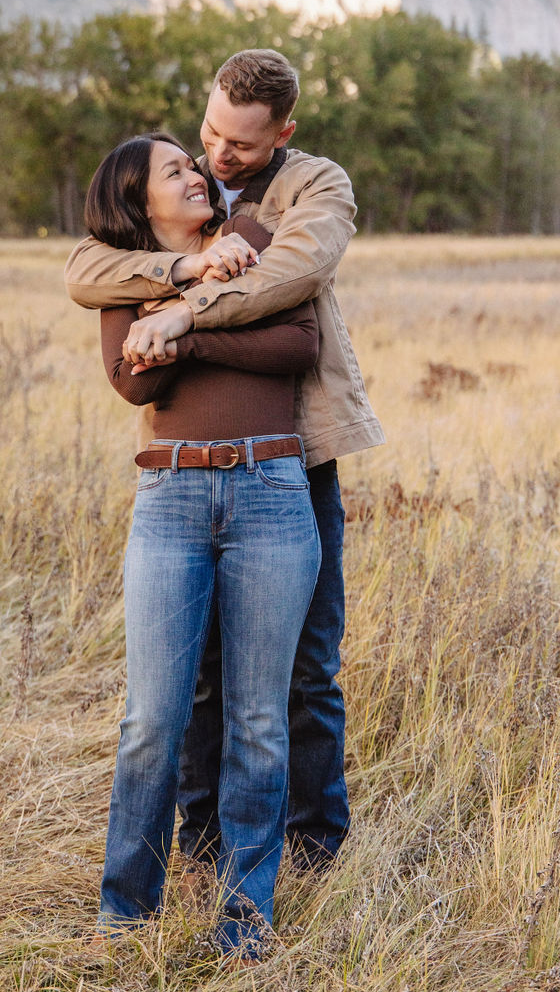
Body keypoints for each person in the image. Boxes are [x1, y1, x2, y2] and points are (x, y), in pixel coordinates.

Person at [66, 49, 385, 872]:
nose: (217, 155)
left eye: (239, 146)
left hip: (294, 452)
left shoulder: (314, 188)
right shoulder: (177, 187)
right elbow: (85, 268)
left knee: (307, 663)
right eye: (208, 132)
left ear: (283, 132)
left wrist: (180, 319)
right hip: (186, 468)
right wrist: (182, 266)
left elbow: (291, 280)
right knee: (199, 669)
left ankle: (314, 841)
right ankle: (202, 836)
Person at [86, 130, 323, 958]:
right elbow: (133, 380)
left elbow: (298, 346)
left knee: (260, 718)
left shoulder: (257, 243)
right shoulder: (128, 270)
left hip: (271, 491)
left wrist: (186, 329)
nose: (197, 171)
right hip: (170, 496)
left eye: (195, 164)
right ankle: (126, 911)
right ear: (138, 200)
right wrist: (173, 290)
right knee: (152, 716)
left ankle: (245, 918)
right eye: (175, 169)